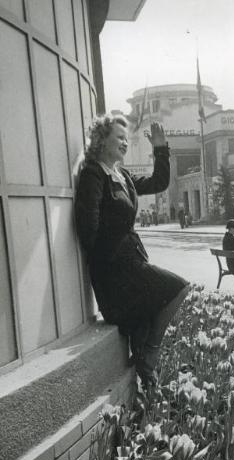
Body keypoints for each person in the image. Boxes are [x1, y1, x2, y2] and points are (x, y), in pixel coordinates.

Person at [75, 115, 190, 387]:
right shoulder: (94, 173)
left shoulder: (122, 175)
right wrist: (110, 261)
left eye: (127, 138)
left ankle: (145, 363)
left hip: (133, 263)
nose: (126, 143)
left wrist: (161, 149)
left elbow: (159, 183)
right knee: (178, 287)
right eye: (119, 137)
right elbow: (88, 230)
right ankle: (148, 355)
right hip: (114, 272)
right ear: (102, 140)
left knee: (172, 295)